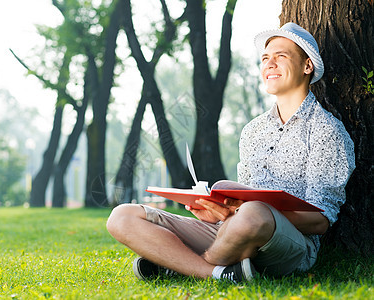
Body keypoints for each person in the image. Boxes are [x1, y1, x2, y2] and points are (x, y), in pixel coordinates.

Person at [106, 22, 355, 283]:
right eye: (265, 58)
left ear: (307, 66)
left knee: (255, 213)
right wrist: (220, 209)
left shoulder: (327, 131)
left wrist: (246, 212)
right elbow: (241, 200)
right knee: (122, 216)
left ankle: (179, 264)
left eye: (281, 56)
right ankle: (218, 273)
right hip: (230, 230)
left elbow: (320, 220)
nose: (270, 64)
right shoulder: (253, 131)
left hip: (285, 243)